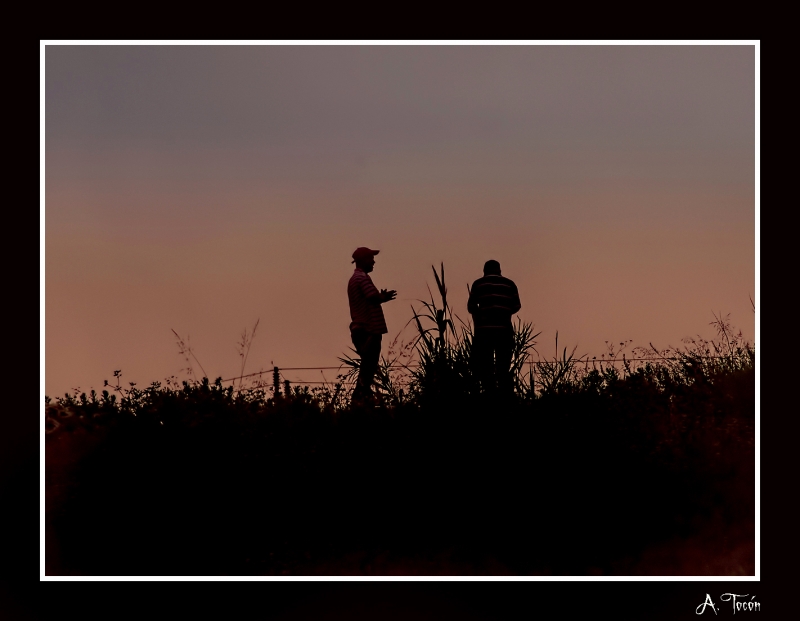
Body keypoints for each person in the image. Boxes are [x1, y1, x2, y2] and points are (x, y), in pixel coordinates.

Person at [347, 247, 397, 404]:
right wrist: (383, 297)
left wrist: (380, 296)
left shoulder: (356, 278)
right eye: (370, 258)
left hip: (362, 330)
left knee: (367, 367)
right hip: (368, 330)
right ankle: (360, 400)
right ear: (362, 261)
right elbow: (372, 297)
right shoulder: (362, 278)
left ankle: (362, 399)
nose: (373, 261)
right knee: (368, 367)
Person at [467, 260, 521, 394]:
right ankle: (504, 396)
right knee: (503, 367)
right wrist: (503, 312)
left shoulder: (478, 284)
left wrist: (482, 314)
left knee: (486, 366)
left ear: (484, 271)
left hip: (484, 332)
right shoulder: (509, 284)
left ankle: (489, 395)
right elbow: (516, 306)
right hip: (504, 331)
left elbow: (471, 307)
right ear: (499, 270)